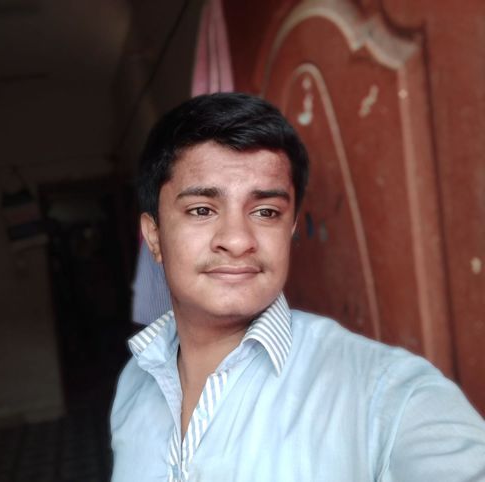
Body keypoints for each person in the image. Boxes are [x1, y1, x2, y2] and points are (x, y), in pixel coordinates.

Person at [110, 92, 485, 481]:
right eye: (202, 210)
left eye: (266, 212)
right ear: (154, 236)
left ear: (289, 230)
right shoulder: (134, 385)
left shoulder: (386, 394)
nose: (237, 240)